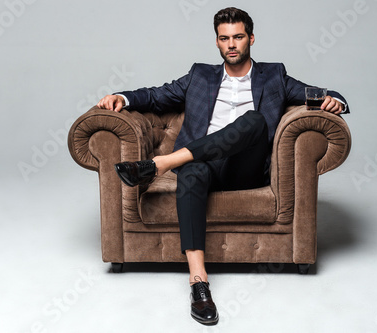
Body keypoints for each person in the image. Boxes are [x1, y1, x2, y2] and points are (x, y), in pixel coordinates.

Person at [97, 7, 349, 325]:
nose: (231, 44)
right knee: (192, 171)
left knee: (254, 121)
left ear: (251, 39)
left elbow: (321, 93)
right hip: (203, 163)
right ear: (217, 42)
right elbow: (156, 95)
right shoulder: (199, 76)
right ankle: (199, 282)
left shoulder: (274, 76)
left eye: (238, 37)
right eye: (224, 38)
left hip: (246, 168)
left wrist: (336, 100)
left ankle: (162, 163)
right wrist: (121, 97)